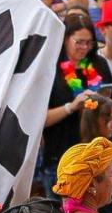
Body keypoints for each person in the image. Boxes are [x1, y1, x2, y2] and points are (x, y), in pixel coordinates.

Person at [39, 13, 99, 193]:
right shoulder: (50, 70)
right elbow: (39, 119)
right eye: (79, 42)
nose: (84, 47)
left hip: (92, 155)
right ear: (65, 39)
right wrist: (71, 107)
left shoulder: (97, 64)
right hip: (60, 157)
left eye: (89, 43)